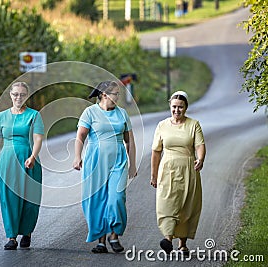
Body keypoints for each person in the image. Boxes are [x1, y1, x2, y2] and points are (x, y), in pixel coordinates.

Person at [73, 81, 137, 253]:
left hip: (118, 161)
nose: (118, 97)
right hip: (95, 162)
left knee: (116, 198)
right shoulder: (90, 112)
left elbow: (129, 140)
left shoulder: (122, 114)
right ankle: (101, 242)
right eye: (115, 93)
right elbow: (80, 136)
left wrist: (132, 164)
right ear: (103, 95)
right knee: (98, 199)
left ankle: (114, 235)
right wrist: (77, 156)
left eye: (118, 93)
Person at [0, 82, 44, 250]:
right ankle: (11, 237)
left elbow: (38, 138)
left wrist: (33, 156)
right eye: (15, 94)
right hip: (7, 161)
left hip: (28, 158)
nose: (19, 97)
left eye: (22, 94)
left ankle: (27, 232)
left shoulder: (34, 115)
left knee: (29, 198)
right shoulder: (2, 116)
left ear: (27, 96)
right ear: (10, 95)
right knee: (9, 197)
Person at [150, 90, 206, 255]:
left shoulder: (193, 124)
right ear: (170, 106)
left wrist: (200, 158)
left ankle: (182, 244)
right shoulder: (162, 125)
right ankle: (168, 239)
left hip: (188, 168)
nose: (177, 110)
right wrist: (154, 175)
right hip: (167, 169)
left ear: (186, 107)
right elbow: (156, 151)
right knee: (167, 203)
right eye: (174, 107)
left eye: (180, 107)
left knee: (186, 206)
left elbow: (200, 145)